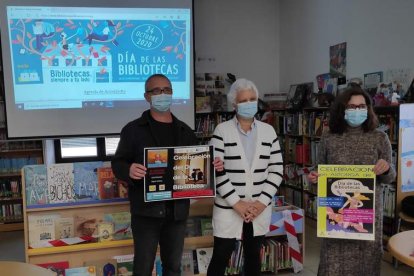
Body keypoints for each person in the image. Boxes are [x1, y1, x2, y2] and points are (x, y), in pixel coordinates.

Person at [111, 74, 223, 276]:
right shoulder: (133, 130)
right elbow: (118, 162)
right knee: (143, 268)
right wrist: (128, 170)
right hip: (146, 213)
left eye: (167, 90)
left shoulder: (185, 130)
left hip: (177, 212)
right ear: (147, 96)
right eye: (157, 91)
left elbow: (196, 165)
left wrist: (210, 166)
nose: (162, 94)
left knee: (173, 267)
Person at [307, 86, 396, 276]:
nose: (357, 110)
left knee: (366, 267)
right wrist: (314, 178)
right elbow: (320, 170)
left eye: (361, 106)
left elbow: (390, 177)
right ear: (342, 109)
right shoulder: (329, 137)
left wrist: (386, 168)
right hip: (336, 219)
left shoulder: (380, 138)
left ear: (368, 108)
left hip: (367, 218)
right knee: (332, 266)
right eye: (351, 106)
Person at [207, 78, 284, 276]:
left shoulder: (269, 131)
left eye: (252, 99)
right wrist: (237, 204)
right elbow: (217, 171)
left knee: (252, 255)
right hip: (228, 207)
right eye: (243, 100)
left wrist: (260, 203)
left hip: (258, 208)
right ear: (234, 104)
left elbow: (276, 169)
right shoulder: (221, 131)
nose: (249, 104)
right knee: (221, 255)